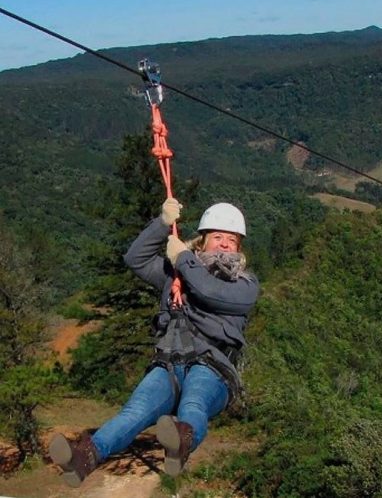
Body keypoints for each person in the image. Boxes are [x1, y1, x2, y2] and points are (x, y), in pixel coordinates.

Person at [49, 198, 260, 487]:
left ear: (239, 248)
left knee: (194, 403)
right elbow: (135, 259)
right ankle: (84, 457)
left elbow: (209, 291)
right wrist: (161, 224)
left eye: (232, 240)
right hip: (170, 363)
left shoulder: (244, 284)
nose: (225, 244)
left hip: (213, 368)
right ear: (203, 241)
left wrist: (183, 259)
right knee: (135, 411)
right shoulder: (175, 274)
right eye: (218, 237)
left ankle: (181, 442)